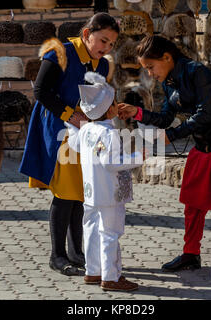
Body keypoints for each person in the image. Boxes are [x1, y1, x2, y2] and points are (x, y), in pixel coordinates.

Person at [118, 36, 211, 281]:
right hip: (202, 144)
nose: (149, 74)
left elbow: (205, 114)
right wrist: (137, 112)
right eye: (146, 69)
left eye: (150, 67)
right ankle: (191, 254)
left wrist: (171, 136)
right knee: (193, 202)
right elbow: (166, 117)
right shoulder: (169, 80)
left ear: (167, 58)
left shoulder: (197, 72)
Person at [19, 13, 119, 276]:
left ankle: (77, 252)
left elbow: (96, 99)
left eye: (111, 44)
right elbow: (41, 92)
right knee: (64, 194)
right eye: (102, 41)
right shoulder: (59, 53)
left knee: (81, 193)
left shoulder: (103, 65)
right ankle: (57, 255)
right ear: (87, 34)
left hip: (84, 133)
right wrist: (70, 115)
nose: (106, 48)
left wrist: (108, 111)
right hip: (57, 129)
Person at [65, 72, 143, 291]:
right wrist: (138, 158)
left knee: (90, 228)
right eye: (115, 102)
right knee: (110, 232)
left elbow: (75, 145)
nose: (118, 105)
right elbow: (112, 163)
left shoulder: (87, 129)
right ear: (109, 109)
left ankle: (93, 271)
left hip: (90, 192)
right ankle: (111, 276)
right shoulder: (109, 133)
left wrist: (71, 125)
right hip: (110, 193)